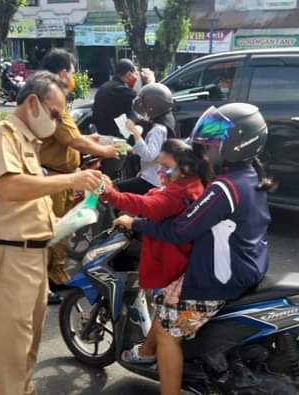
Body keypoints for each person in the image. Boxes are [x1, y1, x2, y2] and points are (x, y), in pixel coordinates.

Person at [114, 103, 275, 395]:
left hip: (218, 280)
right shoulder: (249, 174)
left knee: (167, 333)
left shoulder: (223, 188)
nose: (205, 147)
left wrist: (136, 224)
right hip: (250, 265)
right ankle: (147, 352)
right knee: (165, 300)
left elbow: (179, 230)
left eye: (211, 142)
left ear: (233, 146)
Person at [0, 71, 103, 395]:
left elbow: (29, 203)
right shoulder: (2, 135)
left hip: (31, 257)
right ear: (33, 102)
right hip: (7, 258)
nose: (57, 122)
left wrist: (72, 215)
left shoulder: (29, 142)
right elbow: (9, 187)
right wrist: (72, 179)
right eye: (55, 113)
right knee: (13, 356)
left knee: (27, 348)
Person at [102, 139, 211, 363]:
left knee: (166, 328)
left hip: (173, 262)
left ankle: (150, 354)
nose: (161, 171)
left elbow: (148, 205)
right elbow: (159, 196)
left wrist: (111, 194)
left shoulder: (177, 194)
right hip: (189, 259)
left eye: (166, 166)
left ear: (185, 168)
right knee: (163, 316)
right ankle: (147, 351)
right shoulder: (195, 183)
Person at [39, 49, 120, 304]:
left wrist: (91, 139)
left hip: (61, 174)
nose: (74, 77)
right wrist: (105, 149)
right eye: (73, 72)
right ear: (63, 73)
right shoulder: (52, 98)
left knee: (62, 231)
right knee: (49, 233)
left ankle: (56, 276)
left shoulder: (50, 95)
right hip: (52, 176)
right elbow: (74, 139)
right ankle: (43, 286)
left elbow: (71, 135)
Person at [92, 58, 155, 178]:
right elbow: (144, 99)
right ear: (128, 74)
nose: (137, 77)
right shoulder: (118, 89)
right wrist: (151, 81)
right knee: (140, 144)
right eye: (136, 74)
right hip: (111, 137)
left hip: (106, 131)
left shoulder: (108, 86)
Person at [115, 83, 176, 195]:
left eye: (145, 106)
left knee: (115, 189)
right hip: (153, 176)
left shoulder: (158, 129)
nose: (144, 111)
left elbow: (149, 155)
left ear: (153, 106)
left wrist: (134, 131)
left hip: (153, 181)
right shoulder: (166, 121)